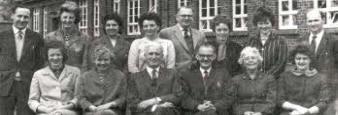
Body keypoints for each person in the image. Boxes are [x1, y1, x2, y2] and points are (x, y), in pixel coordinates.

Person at [0, 5, 45, 115]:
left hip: (27, 86)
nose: (22, 20)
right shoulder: (2, 36)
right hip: (4, 84)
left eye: (26, 17)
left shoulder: (37, 38)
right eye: (19, 16)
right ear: (12, 16)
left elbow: (40, 63)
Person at [127, 42, 182, 115]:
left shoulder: (172, 74)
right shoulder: (135, 77)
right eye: (150, 54)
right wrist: (155, 107)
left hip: (167, 112)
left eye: (157, 54)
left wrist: (156, 100)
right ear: (145, 56)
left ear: (162, 57)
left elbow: (178, 96)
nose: (154, 57)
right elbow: (133, 103)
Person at [28, 41, 79, 115]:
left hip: (68, 111)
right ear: (47, 57)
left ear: (63, 56)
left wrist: (67, 107)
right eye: (52, 55)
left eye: (58, 55)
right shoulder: (38, 74)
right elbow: (32, 101)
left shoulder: (75, 72)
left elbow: (79, 96)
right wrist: (46, 110)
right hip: (46, 111)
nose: (55, 58)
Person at [180, 42, 232, 115]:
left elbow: (229, 96)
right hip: (194, 111)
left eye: (209, 56)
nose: (205, 59)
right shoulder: (186, 75)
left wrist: (215, 106)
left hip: (217, 111)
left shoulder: (223, 74)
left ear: (214, 56)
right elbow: (183, 96)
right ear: (197, 56)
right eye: (202, 56)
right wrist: (198, 106)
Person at [278, 45, 330, 115]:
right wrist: (297, 108)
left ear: (310, 60)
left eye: (305, 58)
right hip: (290, 113)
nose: (301, 61)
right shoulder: (285, 77)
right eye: (298, 58)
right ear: (294, 60)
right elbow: (280, 100)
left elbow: (324, 102)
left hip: (312, 112)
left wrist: (307, 112)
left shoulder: (320, 78)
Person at [77, 44, 127, 115]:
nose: (102, 63)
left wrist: (110, 104)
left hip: (112, 111)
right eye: (99, 60)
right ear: (94, 60)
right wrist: (91, 107)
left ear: (111, 60)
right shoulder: (85, 77)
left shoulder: (120, 76)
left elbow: (123, 98)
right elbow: (80, 98)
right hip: (91, 112)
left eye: (106, 60)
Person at [298, 9, 338, 96]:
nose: (313, 24)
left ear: (323, 20)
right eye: (310, 21)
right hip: (306, 89)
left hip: (328, 89)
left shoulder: (334, 41)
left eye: (316, 20)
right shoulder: (302, 40)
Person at [227, 46, 276, 115]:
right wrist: (243, 112)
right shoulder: (236, 80)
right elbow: (233, 102)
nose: (250, 60)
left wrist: (262, 113)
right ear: (243, 62)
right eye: (247, 59)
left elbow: (271, 101)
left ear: (258, 60)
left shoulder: (269, 79)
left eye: (253, 58)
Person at [45, 1, 91, 71]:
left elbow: (86, 64)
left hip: (77, 78)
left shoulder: (85, 38)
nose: (67, 20)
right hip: (55, 78)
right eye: (65, 17)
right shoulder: (50, 38)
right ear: (60, 18)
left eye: (71, 17)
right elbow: (46, 62)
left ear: (75, 18)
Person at [160, 6, 206, 71]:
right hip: (175, 75)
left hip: (196, 74)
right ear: (177, 17)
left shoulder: (200, 35)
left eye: (189, 16)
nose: (187, 18)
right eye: (183, 16)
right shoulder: (166, 33)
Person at [246, 7, 288, 78]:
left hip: (273, 82)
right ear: (256, 24)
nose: (264, 26)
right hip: (254, 81)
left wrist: (265, 78)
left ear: (272, 23)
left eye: (266, 23)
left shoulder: (280, 41)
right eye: (260, 23)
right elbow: (246, 61)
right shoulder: (251, 41)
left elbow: (281, 64)